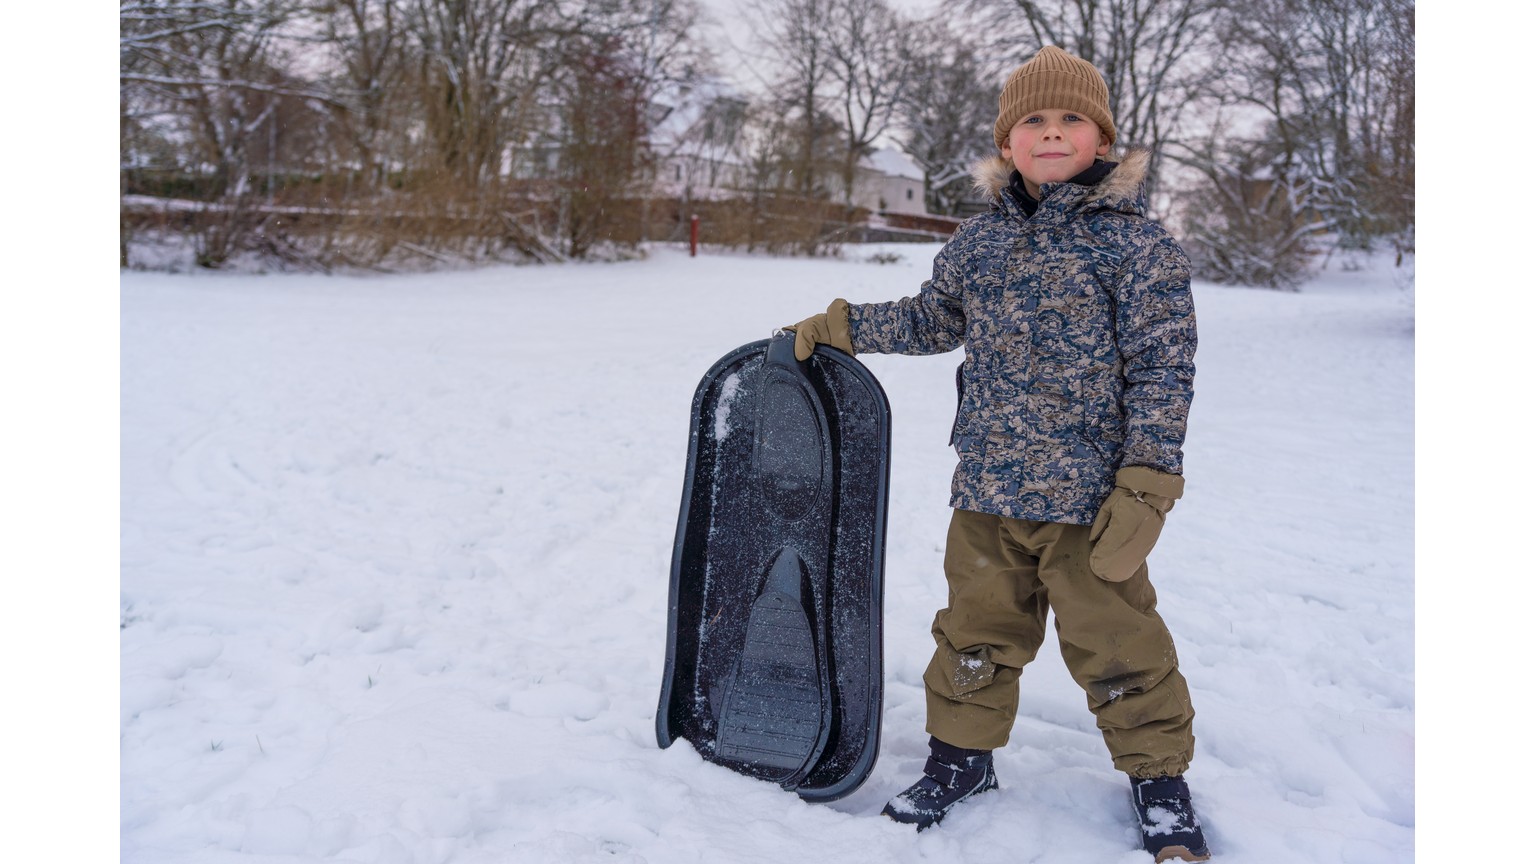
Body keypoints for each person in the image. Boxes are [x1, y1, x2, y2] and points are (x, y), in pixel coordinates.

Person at [786, 46, 1209, 862]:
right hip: (986, 489)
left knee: (1120, 646)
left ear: (1102, 138)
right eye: (1033, 121)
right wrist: (843, 327)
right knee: (974, 636)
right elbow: (930, 319)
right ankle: (960, 762)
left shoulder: (1139, 247)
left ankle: (1159, 781)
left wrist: (1149, 483)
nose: (1052, 133)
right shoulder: (978, 245)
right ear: (1008, 143)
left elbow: (1164, 368)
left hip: (1092, 505)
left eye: (1071, 119)